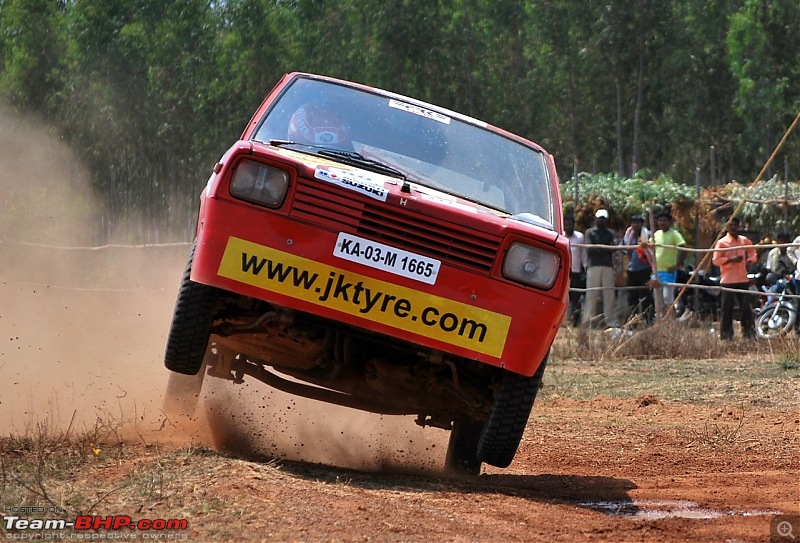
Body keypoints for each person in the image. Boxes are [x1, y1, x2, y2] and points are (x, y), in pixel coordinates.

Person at [712, 217, 757, 340]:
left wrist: (749, 261)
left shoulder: (744, 240)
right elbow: (716, 260)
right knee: (727, 309)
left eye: (735, 225)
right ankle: (726, 335)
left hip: (742, 279)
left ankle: (749, 334)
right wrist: (730, 260)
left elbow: (753, 252)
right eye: (730, 225)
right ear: (727, 227)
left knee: (746, 308)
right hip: (728, 280)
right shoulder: (722, 242)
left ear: (738, 226)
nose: (733, 227)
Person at [583, 209, 619, 328]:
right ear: (595, 219)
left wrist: (600, 248)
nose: (601, 221)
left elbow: (614, 247)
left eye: (603, 219)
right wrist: (605, 249)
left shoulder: (610, 233)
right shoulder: (590, 232)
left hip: (607, 265)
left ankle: (611, 321)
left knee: (609, 294)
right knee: (591, 293)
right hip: (593, 265)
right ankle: (588, 321)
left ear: (606, 220)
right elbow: (590, 249)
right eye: (599, 218)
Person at [650, 211, 687, 316]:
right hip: (657, 271)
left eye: (664, 220)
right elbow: (649, 246)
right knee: (658, 300)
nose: (662, 223)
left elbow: (684, 248)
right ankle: (660, 324)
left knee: (668, 300)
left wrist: (677, 265)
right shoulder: (656, 234)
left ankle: (670, 323)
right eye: (660, 220)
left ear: (669, 222)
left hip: (668, 272)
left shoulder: (674, 234)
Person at [621, 215, 653, 324]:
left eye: (638, 223)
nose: (635, 225)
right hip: (632, 270)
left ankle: (648, 321)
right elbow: (623, 250)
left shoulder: (647, 235)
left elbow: (652, 250)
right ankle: (633, 322)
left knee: (646, 297)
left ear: (642, 224)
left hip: (645, 269)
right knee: (632, 297)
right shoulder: (628, 235)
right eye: (633, 223)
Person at [564, 215, 588, 327]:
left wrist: (585, 266)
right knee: (564, 297)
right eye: (566, 225)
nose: (568, 227)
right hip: (564, 272)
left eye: (570, 225)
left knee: (576, 297)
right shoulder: (561, 236)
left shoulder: (579, 237)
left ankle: (576, 321)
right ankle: (564, 321)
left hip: (576, 271)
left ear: (574, 225)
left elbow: (583, 253)